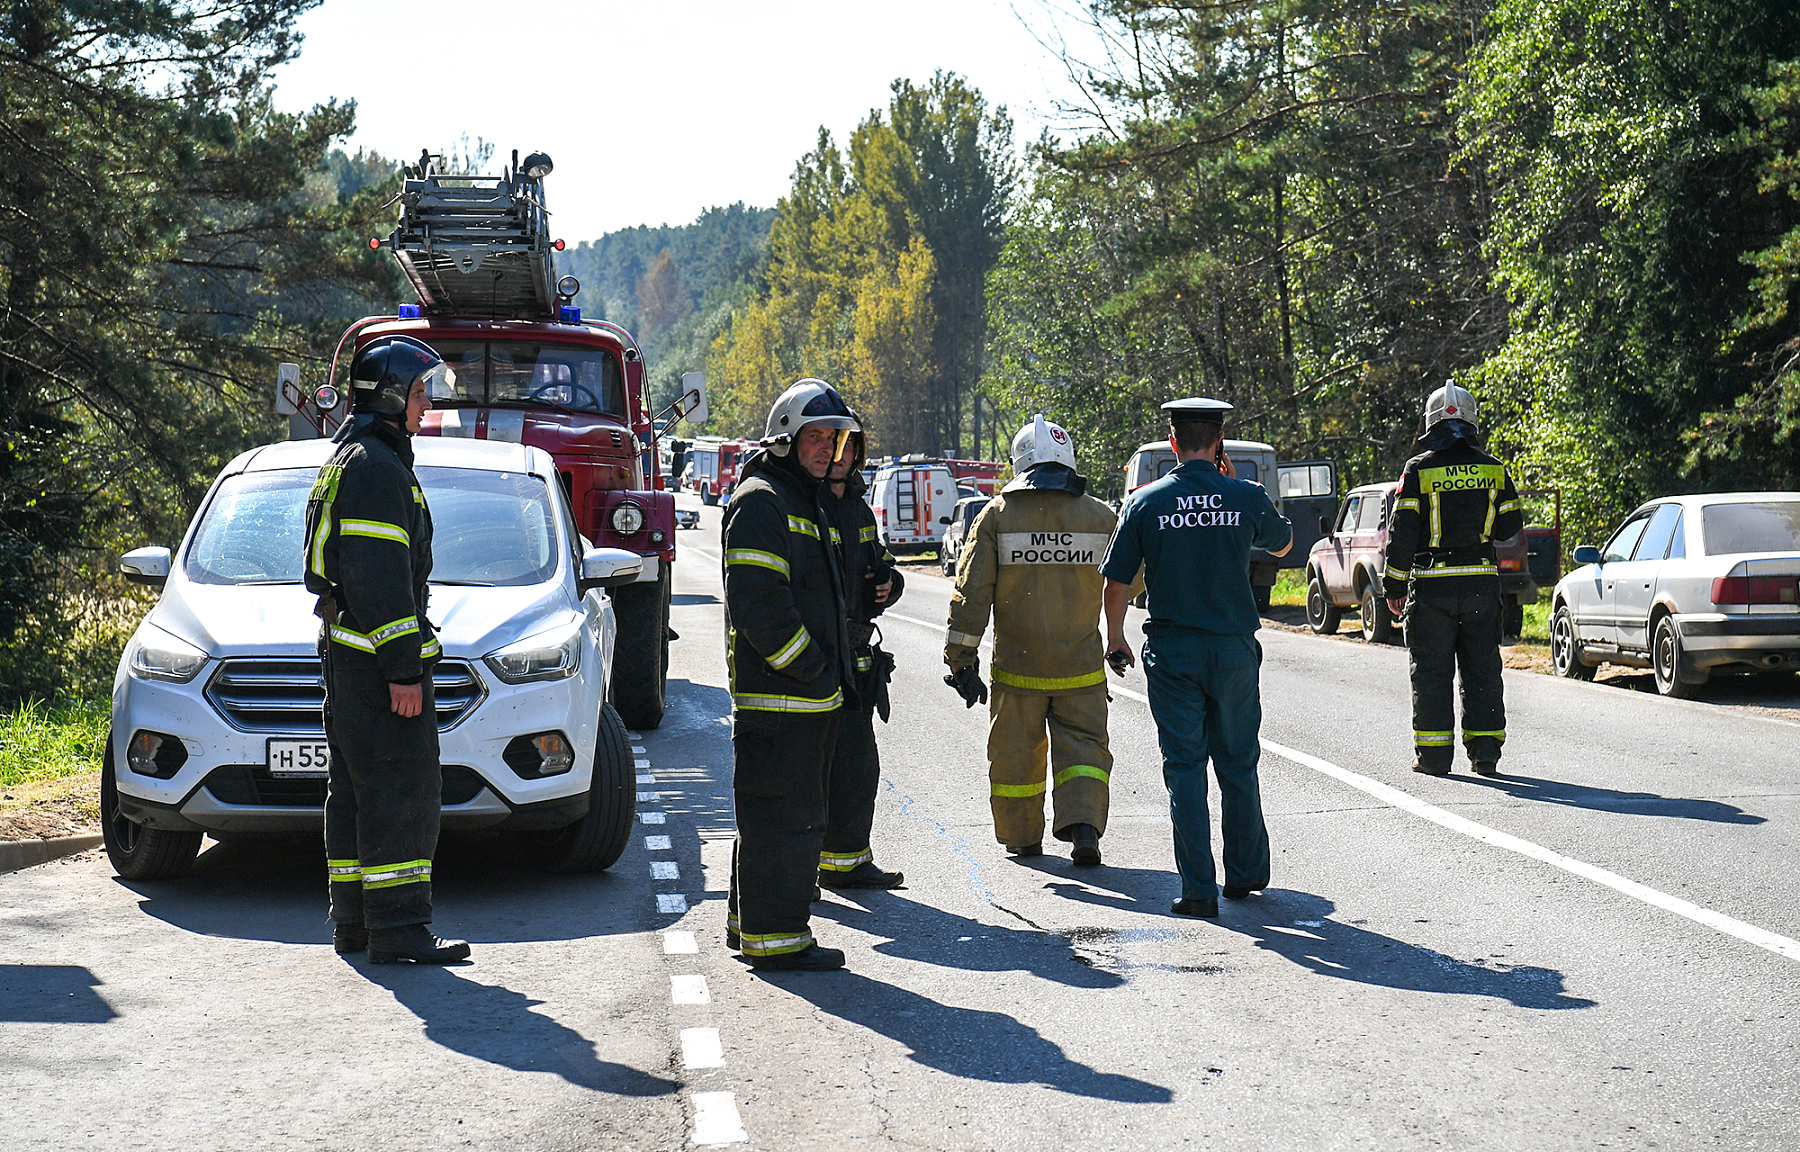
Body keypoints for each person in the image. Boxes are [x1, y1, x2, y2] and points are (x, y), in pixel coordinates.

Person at [303, 334, 468, 964]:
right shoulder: (376, 468)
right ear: (395, 395)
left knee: (353, 793)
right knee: (401, 794)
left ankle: (356, 924)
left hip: (349, 662)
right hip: (378, 668)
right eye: (421, 392)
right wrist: (404, 670)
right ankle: (398, 930)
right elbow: (379, 581)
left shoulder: (354, 457)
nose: (426, 406)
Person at [1099, 398, 1291, 919]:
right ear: (1220, 438)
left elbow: (1117, 580)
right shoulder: (1245, 495)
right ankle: (1246, 872)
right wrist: (1236, 497)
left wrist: (1115, 637)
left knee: (1184, 766)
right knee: (1237, 760)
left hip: (1173, 651)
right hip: (1231, 651)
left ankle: (1198, 889)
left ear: (1172, 439)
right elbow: (1282, 543)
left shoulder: (1145, 502)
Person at [721, 378, 859, 971]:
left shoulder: (806, 499)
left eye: (835, 439)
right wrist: (816, 674)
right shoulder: (763, 500)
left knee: (769, 816)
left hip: (803, 699)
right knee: (787, 820)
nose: (827, 450)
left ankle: (746, 923)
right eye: (816, 437)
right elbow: (761, 609)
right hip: (784, 699)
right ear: (786, 437)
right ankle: (779, 940)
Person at [944, 415, 1120, 865]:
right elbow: (1130, 580)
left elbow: (972, 592)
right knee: (1084, 749)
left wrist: (961, 660)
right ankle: (1084, 829)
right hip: (1081, 669)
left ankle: (1024, 837)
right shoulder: (1101, 516)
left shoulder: (996, 517)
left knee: (1016, 759)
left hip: (1018, 672)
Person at [1381, 382, 1523, 777]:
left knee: (1431, 673)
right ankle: (1485, 756)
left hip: (1431, 589)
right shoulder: (1494, 468)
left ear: (1430, 424)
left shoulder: (1418, 469)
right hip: (1480, 584)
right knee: (1482, 670)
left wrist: (1392, 587)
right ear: (1472, 421)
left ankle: (1434, 758)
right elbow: (1510, 524)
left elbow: (1402, 533)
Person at [817, 422, 905, 890]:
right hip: (814, 660)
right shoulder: (803, 504)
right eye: (832, 446)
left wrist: (889, 584)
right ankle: (801, 867)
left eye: (849, 448)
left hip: (856, 657)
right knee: (811, 770)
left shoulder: (858, 508)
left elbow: (880, 563)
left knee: (857, 767)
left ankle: (845, 862)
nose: (840, 456)